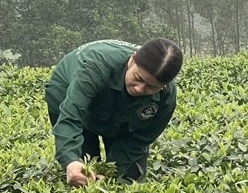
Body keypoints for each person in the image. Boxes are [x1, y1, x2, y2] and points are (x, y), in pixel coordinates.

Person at [45, 38, 184, 185]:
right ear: (132, 60)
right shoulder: (94, 68)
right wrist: (70, 161)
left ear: (163, 86)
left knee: (128, 177)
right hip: (68, 92)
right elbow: (71, 117)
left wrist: (112, 171)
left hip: (122, 113)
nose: (139, 89)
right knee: (83, 172)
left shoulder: (166, 96)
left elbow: (140, 139)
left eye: (152, 87)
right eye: (138, 78)